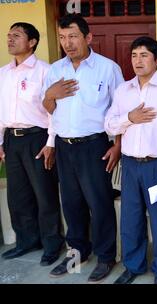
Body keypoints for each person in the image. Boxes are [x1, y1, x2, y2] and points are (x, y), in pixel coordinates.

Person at [41, 13, 124, 283]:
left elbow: (120, 110)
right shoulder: (55, 70)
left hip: (95, 145)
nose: (68, 43)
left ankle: (105, 256)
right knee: (72, 203)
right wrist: (50, 95)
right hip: (65, 147)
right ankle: (77, 252)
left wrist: (118, 146)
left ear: (88, 37)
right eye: (63, 38)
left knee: (99, 204)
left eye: (73, 36)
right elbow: (48, 111)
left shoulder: (107, 68)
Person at [105, 36, 157, 284]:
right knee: (131, 218)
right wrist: (129, 118)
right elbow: (109, 124)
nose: (138, 60)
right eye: (134, 55)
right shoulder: (123, 91)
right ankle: (133, 265)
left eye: (144, 55)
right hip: (130, 164)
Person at [0, 22, 64, 266]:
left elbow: (53, 112)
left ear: (32, 42)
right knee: (18, 196)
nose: (10, 39)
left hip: (38, 138)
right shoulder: (3, 73)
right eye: (8, 35)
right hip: (11, 141)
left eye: (16, 35)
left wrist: (51, 142)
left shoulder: (46, 71)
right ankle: (27, 241)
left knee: (44, 194)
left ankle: (51, 244)